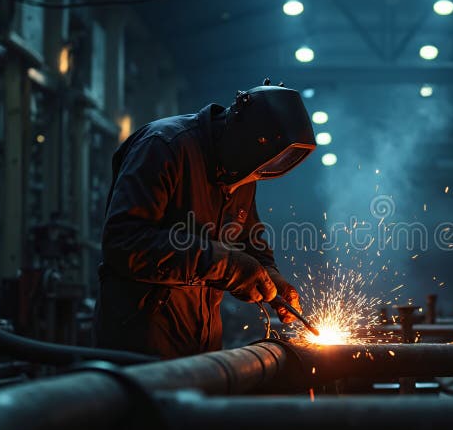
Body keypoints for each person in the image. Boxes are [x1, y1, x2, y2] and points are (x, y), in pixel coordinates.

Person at [95, 80, 315, 358]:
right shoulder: (163, 146)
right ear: (244, 137)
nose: (256, 176)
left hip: (202, 341)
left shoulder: (242, 170)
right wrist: (227, 267)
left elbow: (247, 241)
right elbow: (124, 242)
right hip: (140, 342)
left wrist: (268, 273)